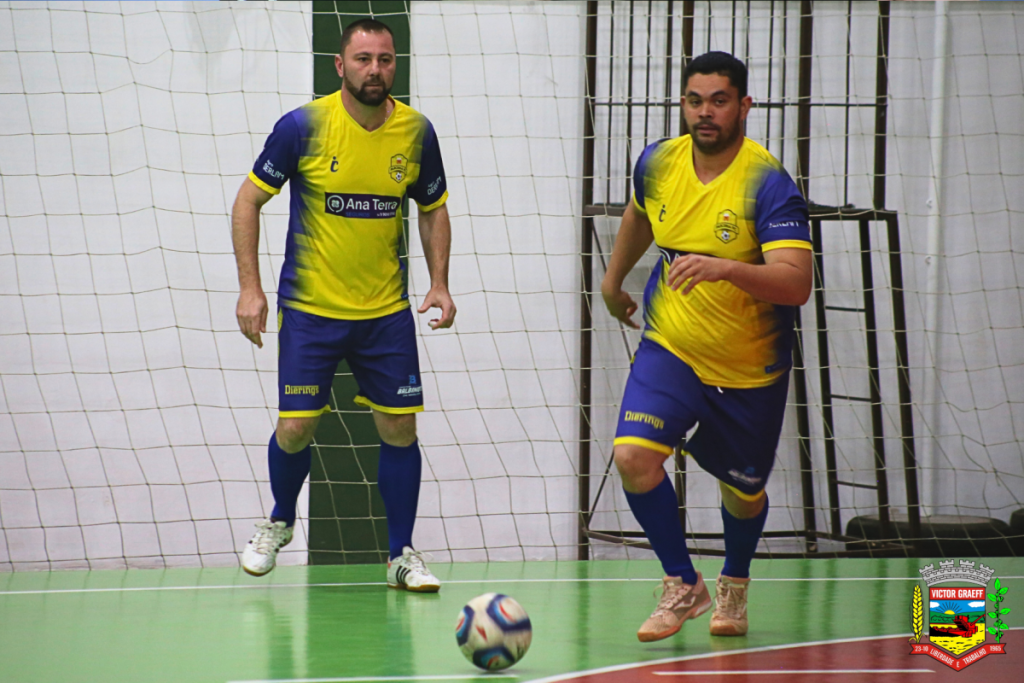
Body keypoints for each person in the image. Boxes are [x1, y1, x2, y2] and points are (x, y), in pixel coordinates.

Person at [231, 19, 454, 592]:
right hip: (311, 310)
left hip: (385, 314)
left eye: (385, 59)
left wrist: (440, 282)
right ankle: (281, 520)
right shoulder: (302, 127)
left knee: (399, 427)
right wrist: (250, 288)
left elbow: (432, 208)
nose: (375, 69)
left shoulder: (416, 132)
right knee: (295, 427)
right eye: (363, 59)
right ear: (340, 65)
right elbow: (247, 201)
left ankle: (400, 555)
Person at [601, 51, 812, 642]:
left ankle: (734, 583)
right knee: (632, 456)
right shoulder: (659, 162)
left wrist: (726, 268)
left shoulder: (767, 183)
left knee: (743, 493)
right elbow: (640, 213)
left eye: (719, 101)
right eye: (695, 101)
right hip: (672, 346)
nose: (705, 113)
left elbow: (796, 283)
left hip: (748, 367)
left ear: (744, 105)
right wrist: (612, 282)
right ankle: (682, 582)